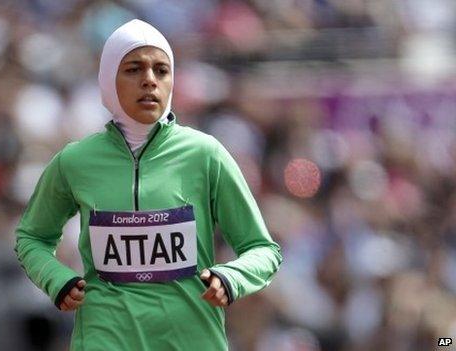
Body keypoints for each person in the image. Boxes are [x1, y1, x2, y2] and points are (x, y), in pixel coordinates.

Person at [15, 19, 282, 350]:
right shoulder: (75, 161)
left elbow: (263, 250)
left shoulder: (206, 155)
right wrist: (57, 279)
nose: (149, 82)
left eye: (161, 70)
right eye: (133, 69)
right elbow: (32, 238)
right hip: (103, 340)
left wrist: (232, 278)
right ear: (108, 77)